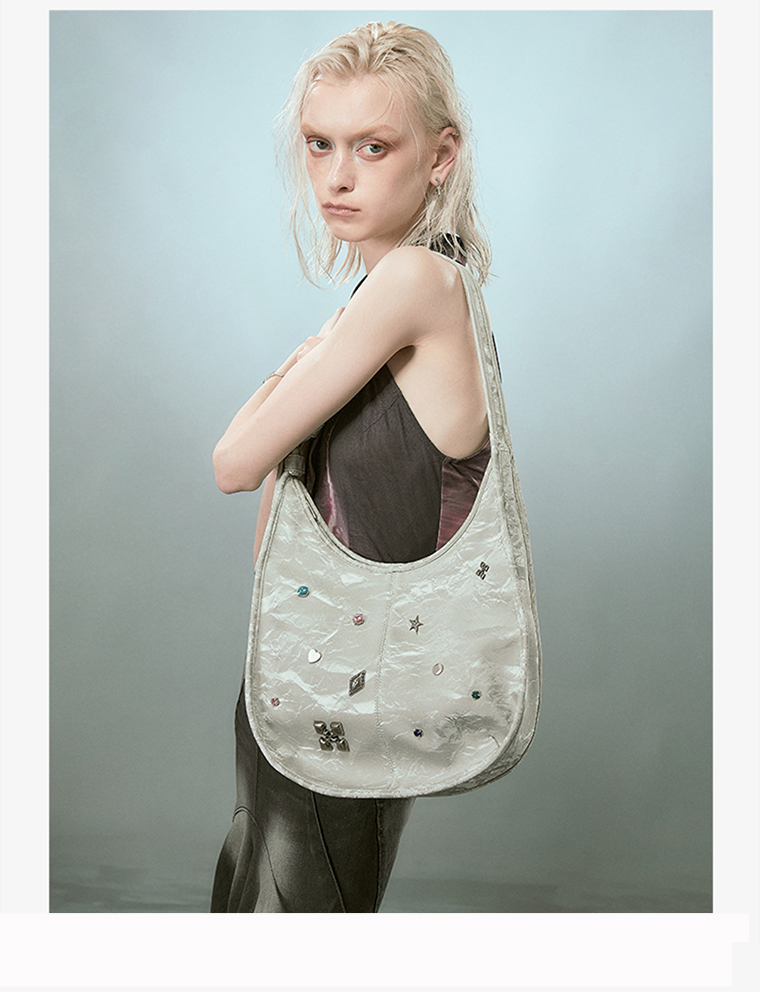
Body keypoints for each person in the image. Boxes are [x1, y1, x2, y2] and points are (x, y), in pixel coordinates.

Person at [210, 20, 493, 913]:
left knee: (302, 921)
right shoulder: (398, 288)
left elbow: (234, 462)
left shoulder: (411, 284)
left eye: (373, 147)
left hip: (344, 677)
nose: (336, 176)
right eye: (319, 144)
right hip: (316, 663)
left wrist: (304, 356)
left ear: (440, 157)